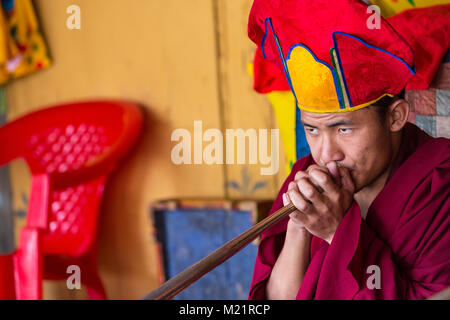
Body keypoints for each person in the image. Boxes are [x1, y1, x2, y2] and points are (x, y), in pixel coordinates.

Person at [247, 0, 450, 300]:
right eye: (312, 130)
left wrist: (337, 231)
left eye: (344, 129)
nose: (326, 154)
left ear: (395, 117)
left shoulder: (439, 182)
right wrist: (300, 227)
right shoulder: (305, 172)